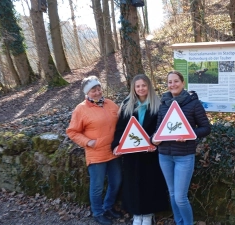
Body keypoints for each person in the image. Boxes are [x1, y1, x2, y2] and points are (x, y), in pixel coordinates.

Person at [152, 71, 211, 225]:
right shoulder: (163, 104)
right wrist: (154, 139)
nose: (173, 85)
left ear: (183, 83)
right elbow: (159, 130)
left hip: (184, 156)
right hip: (164, 155)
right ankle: (179, 222)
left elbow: (205, 128)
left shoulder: (193, 103)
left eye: (176, 81)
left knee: (180, 197)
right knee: (172, 194)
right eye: (170, 82)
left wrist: (189, 134)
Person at [111, 74, 169, 225]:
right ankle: (137, 214)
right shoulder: (127, 105)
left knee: (150, 183)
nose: (141, 88)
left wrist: (153, 142)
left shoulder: (159, 104)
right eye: (138, 86)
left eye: (144, 85)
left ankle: (148, 214)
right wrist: (117, 145)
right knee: (133, 184)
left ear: (149, 86)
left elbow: (161, 127)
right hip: (132, 153)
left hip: (151, 153)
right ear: (133, 88)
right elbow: (121, 129)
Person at [66, 76, 122, 225]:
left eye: (98, 89)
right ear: (87, 92)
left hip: (114, 152)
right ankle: (98, 212)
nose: (97, 92)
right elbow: (72, 132)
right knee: (97, 187)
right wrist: (88, 142)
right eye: (93, 90)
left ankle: (108, 207)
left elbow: (122, 121)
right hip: (96, 154)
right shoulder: (81, 109)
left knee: (116, 182)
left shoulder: (110, 104)